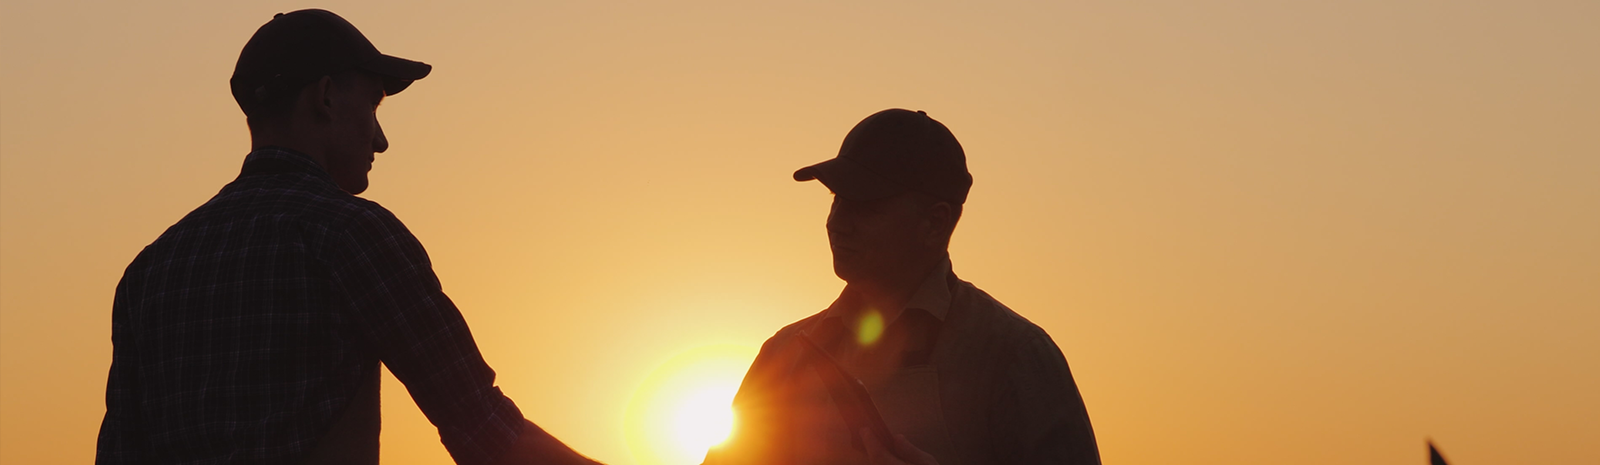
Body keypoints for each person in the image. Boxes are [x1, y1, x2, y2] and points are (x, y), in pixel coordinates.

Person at [95, 10, 597, 465]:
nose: (381, 139)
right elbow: (486, 434)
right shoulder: (351, 235)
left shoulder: (149, 272)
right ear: (327, 96)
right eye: (374, 106)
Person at [704, 109, 1101, 465]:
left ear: (934, 222)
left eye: (866, 205)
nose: (837, 222)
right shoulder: (784, 354)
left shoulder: (1015, 356)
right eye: (837, 198)